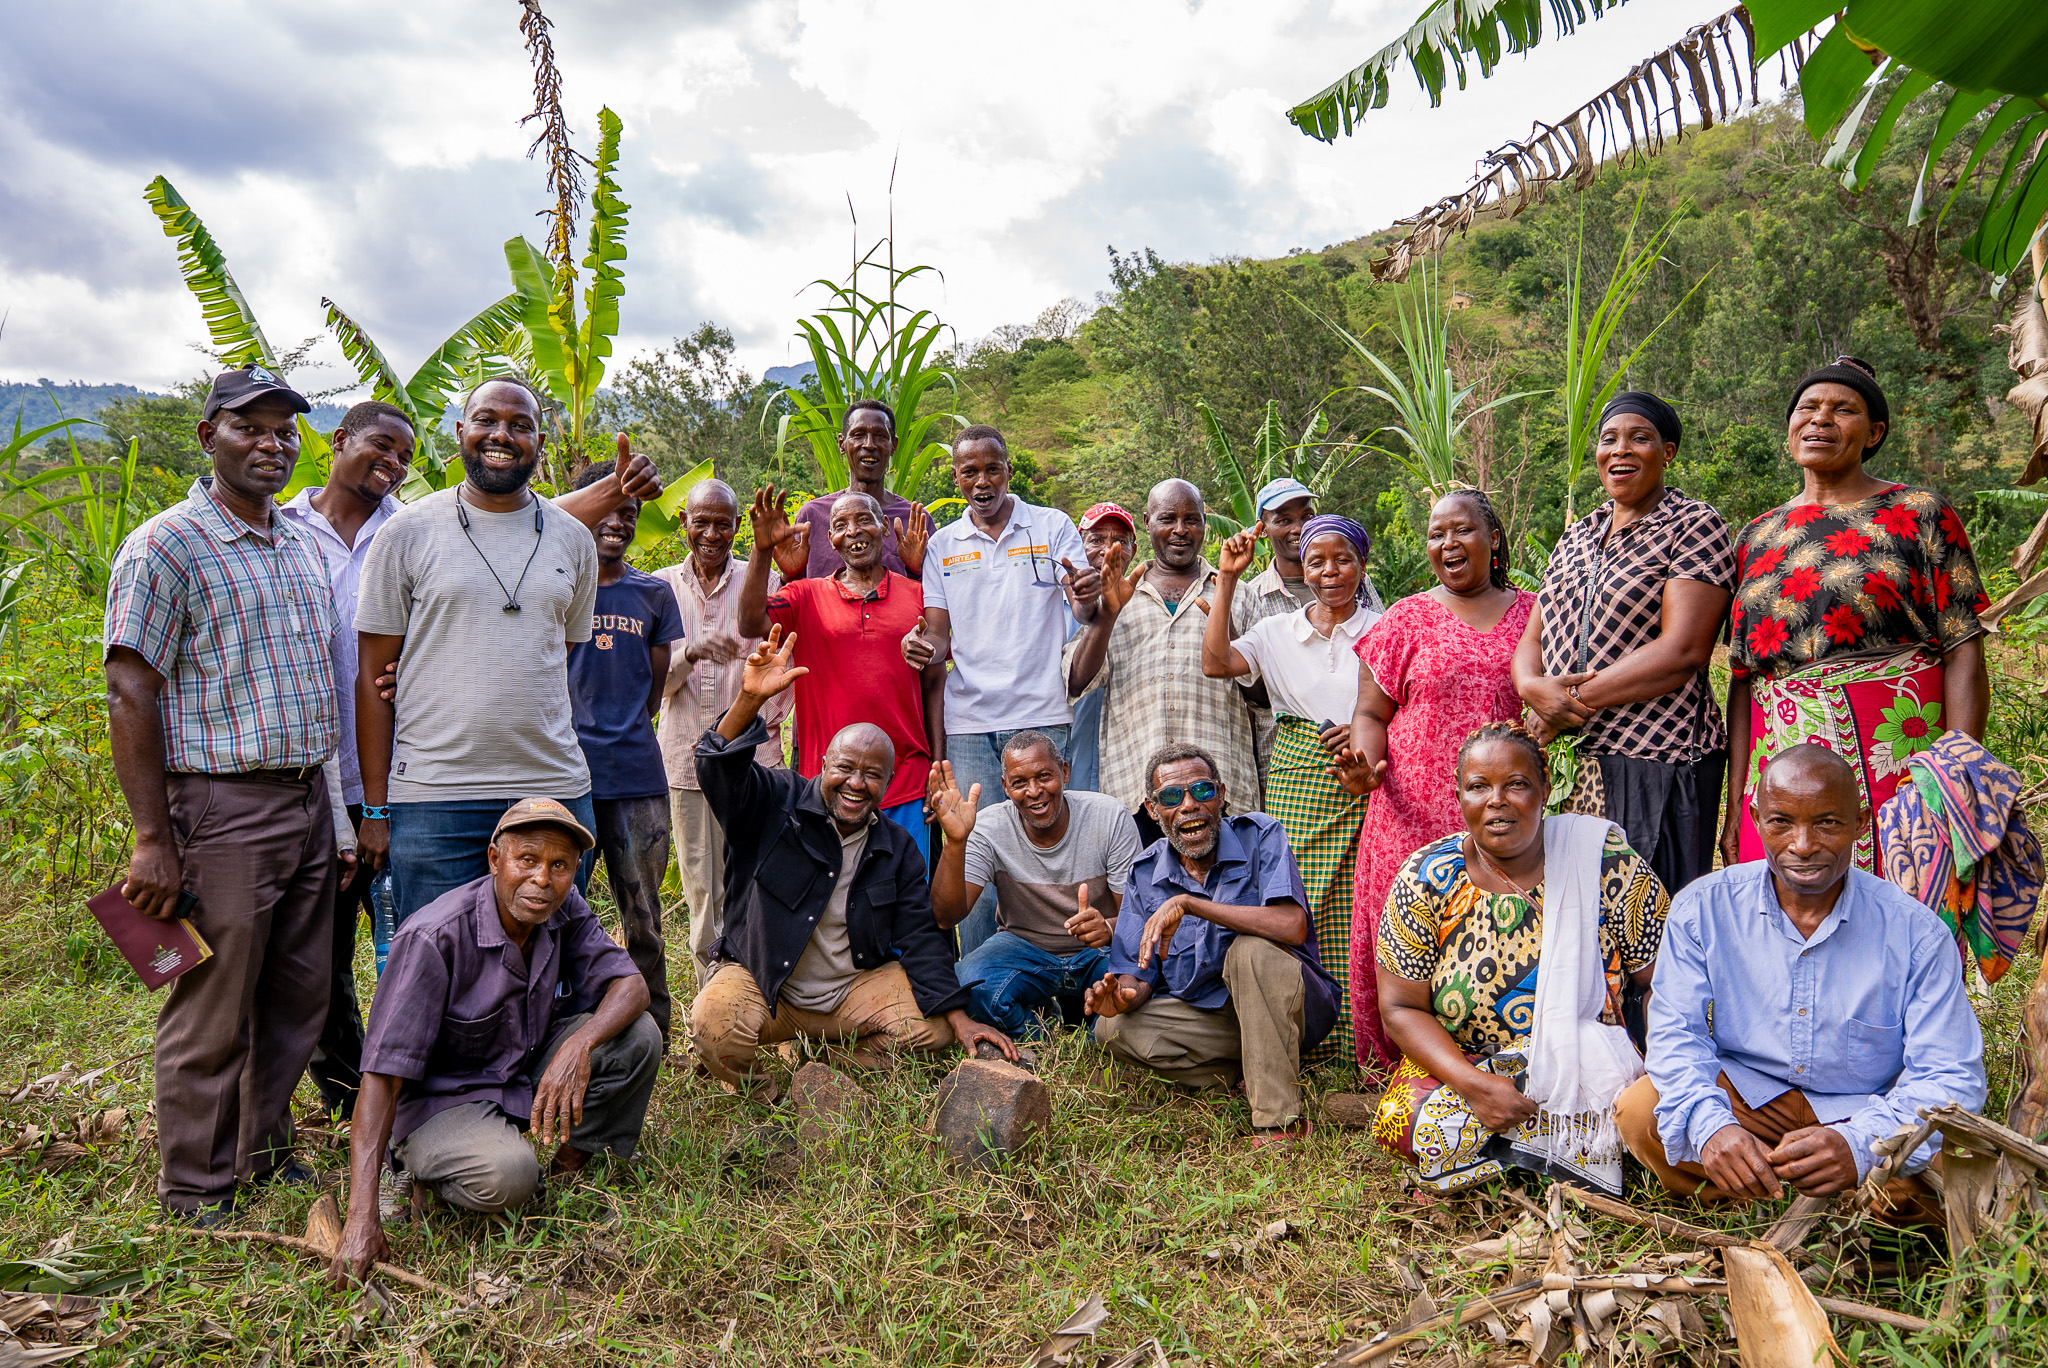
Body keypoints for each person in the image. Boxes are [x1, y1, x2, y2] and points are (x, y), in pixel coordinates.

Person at [104, 363, 357, 1223]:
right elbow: (131, 688)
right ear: (209, 436)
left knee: (296, 992)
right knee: (213, 1002)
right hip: (221, 805)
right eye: (250, 427)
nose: (271, 444)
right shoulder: (167, 544)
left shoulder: (295, 539)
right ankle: (197, 1186)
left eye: (285, 430)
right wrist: (152, 838)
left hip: (303, 798)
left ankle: (261, 1148)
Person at [1618, 746, 1985, 1222]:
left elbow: (1950, 1075)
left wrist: (1858, 1145)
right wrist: (1713, 1128)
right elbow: (1675, 1035)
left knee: (1946, 1172)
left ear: (1860, 820)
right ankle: (1745, 1202)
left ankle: (1847, 1205)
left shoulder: (1915, 932)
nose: (1804, 844)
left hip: (1867, 1111)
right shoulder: (1704, 908)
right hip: (1747, 1100)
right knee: (1641, 1111)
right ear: (1755, 819)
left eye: (1828, 823)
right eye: (1782, 822)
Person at [353, 378, 661, 923]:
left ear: (539, 443)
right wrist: (376, 808)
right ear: (459, 432)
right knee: (435, 966)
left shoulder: (572, 539)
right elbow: (373, 681)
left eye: (520, 425)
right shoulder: (406, 533)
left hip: (553, 789)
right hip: (433, 795)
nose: (502, 434)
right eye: (486, 420)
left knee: (548, 970)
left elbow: (553, 653)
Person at [328, 799, 659, 1282]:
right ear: (494, 860)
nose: (542, 880)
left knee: (638, 1035)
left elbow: (632, 987)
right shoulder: (433, 938)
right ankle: (416, 1171)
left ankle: (566, 1171)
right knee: (509, 1176)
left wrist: (578, 1044)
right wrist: (361, 1216)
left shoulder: (562, 909)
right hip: (442, 1100)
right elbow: (380, 1080)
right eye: (527, 860)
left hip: (518, 1071)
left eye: (559, 866)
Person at [686, 627, 1015, 1092]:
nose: (856, 783)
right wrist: (748, 700)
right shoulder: (773, 801)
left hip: (848, 996)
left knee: (935, 1027)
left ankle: (834, 1063)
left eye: (872, 774)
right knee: (713, 1022)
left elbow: (923, 934)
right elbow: (715, 766)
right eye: (844, 768)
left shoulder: (895, 847)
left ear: (888, 783)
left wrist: (961, 1021)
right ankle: (766, 1089)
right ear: (822, 764)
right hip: (768, 988)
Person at [1373, 724, 1669, 1195]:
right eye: (1479, 787)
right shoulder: (1427, 876)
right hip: (1467, 1064)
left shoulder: (1602, 860)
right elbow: (1401, 1008)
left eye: (1516, 784)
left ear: (1545, 789)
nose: (1497, 800)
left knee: (1646, 1111)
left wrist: (1662, 1072)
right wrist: (1474, 1086)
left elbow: (1665, 983)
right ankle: (1566, 1149)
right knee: (1405, 1120)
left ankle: (1537, 1146)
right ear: (1459, 795)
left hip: (1588, 1061)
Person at [1721, 357, 1990, 874]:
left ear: (1874, 433)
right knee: (1786, 916)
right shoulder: (1756, 537)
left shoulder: (1919, 513)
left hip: (1898, 753)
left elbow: (1964, 651)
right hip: (1778, 762)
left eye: (1843, 410)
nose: (1821, 420)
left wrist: (1957, 774)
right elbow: (1742, 679)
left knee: (1905, 903)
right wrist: (1737, 803)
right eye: (1808, 408)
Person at [1334, 487, 1535, 1073]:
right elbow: (1372, 714)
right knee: (1411, 944)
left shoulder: (1535, 612)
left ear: (1492, 538)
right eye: (1435, 534)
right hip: (1409, 818)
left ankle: (1498, 1067)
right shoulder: (1406, 618)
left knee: (1499, 941)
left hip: (1501, 817)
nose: (1447, 543)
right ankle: (1404, 1074)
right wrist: (1366, 766)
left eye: (1461, 530)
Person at [1514, 394, 1736, 899]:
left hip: (1658, 755)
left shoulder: (1693, 524)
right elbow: (1534, 633)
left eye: (1640, 438)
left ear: (1668, 453)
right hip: (1575, 760)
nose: (1621, 450)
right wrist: (1531, 687)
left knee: (1652, 922)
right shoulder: (1578, 535)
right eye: (1610, 439)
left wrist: (1567, 703)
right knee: (1578, 919)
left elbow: (1682, 651)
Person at [910, 425, 1102, 954]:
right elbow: (937, 636)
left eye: (991, 468)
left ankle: (1060, 961)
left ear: (1008, 470)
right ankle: (977, 971)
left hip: (1041, 714)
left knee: (1047, 843)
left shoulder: (1051, 525)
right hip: (970, 721)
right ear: (956, 477)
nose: (981, 480)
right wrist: (918, 645)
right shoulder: (944, 545)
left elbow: (1083, 607)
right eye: (969, 471)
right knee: (973, 845)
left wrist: (1088, 596)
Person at [1086, 743, 1337, 1144]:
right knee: (1110, 1030)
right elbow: (1138, 971)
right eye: (1171, 797)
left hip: (1293, 1010)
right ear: (1153, 811)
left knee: (1250, 950)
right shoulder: (1145, 872)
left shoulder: (1260, 835)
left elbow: (1292, 926)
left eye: (1201, 791)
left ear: (1221, 795)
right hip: (1216, 1022)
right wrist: (1122, 997)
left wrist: (1192, 905)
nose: (1188, 805)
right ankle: (1244, 1071)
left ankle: (1277, 1123)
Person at [1202, 515, 1378, 1065]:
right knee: (1298, 902)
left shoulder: (1387, 625)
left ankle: (1359, 1043)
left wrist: (1371, 727)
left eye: (1343, 559)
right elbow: (1216, 662)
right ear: (1302, 565)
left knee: (1361, 904)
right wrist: (1228, 579)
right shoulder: (1278, 631)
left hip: (1367, 775)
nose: (1330, 572)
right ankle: (1300, 1039)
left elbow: (1400, 699)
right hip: (1299, 777)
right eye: (1317, 561)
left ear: (1362, 567)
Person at [279, 399, 413, 1120]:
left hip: (392, 776)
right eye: (381, 449)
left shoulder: (410, 532)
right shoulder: (279, 528)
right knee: (321, 956)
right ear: (339, 440)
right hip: (307, 780)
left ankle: (406, 1086)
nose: (391, 467)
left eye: (404, 460)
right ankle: (346, 1090)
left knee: (404, 943)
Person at [740, 486, 944, 865]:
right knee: (832, 907)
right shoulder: (804, 595)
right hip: (829, 786)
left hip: (906, 783)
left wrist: (938, 767)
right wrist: (762, 550)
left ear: (885, 527)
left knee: (905, 905)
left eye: (864, 520)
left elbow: (935, 684)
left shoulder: (918, 594)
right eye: (840, 525)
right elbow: (750, 621)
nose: (853, 531)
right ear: (830, 540)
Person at [565, 462, 687, 1046]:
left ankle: (652, 1027)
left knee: (643, 916)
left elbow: (654, 688)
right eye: (606, 512)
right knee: (561, 910)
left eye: (628, 515)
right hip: (567, 777)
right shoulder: (558, 586)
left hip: (638, 776)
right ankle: (565, 1023)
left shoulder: (654, 594)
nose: (616, 524)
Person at [1065, 480, 1261, 839]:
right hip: (1138, 795)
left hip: (1222, 790)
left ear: (1206, 522)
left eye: (1192, 519)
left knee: (1226, 892)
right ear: (1147, 522)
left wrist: (1229, 629)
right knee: (1148, 892)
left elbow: (1264, 697)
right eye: (1168, 518)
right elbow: (1076, 681)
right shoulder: (1118, 593)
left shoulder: (1238, 594)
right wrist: (1108, 613)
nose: (1180, 530)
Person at [653, 479, 788, 990]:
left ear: (738, 527)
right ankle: (713, 1011)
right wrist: (689, 653)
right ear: (683, 523)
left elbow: (782, 684)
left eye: (723, 523)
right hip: (688, 764)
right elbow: (655, 689)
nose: (711, 533)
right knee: (704, 895)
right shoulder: (660, 587)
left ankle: (758, 1000)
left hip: (756, 766)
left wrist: (756, 724)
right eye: (701, 521)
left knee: (759, 883)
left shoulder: (765, 582)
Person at [927, 732, 1144, 1036]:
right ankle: (1043, 1032)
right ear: (1005, 787)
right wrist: (955, 842)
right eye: (1019, 783)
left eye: (1045, 776)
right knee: (970, 986)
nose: (1034, 791)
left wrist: (1108, 927)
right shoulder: (988, 827)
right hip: (1023, 949)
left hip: (1099, 953)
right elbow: (945, 916)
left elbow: (1137, 922)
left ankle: (1097, 1031)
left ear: (1065, 772)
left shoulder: (1108, 817)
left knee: (1136, 989)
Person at [1232, 479, 1387, 787]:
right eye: (1284, 520)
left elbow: (1384, 671)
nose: (1298, 527)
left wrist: (1359, 727)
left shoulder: (1359, 586)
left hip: (1362, 757)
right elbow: (1251, 691)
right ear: (1262, 527)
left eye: (1306, 516)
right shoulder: (1253, 596)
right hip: (1287, 765)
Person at [757, 399, 934, 581]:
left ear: (894, 446)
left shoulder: (914, 521)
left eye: (880, 435)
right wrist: (788, 574)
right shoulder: (813, 517)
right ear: (841, 444)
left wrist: (917, 571)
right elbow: (793, 594)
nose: (869, 445)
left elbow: (935, 594)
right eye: (858, 435)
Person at [1068, 503, 1137, 794]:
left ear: (1133, 550)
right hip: (1069, 756)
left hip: (1127, 768)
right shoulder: (1057, 605)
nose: (1108, 550)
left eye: (1120, 541)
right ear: (1077, 544)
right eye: (1095, 540)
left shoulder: (1144, 603)